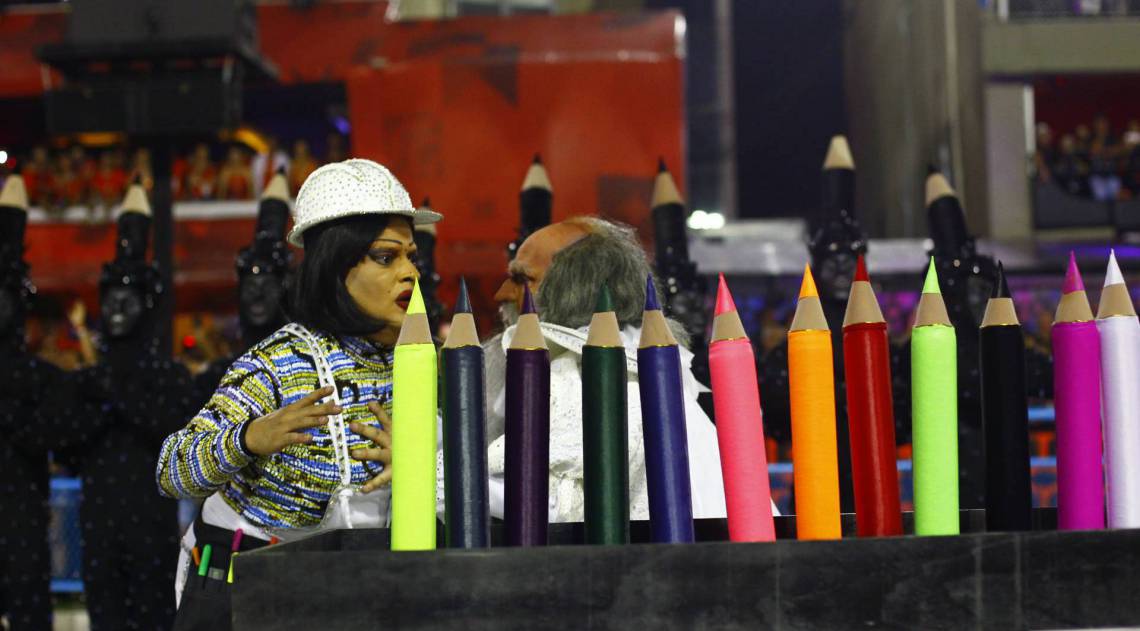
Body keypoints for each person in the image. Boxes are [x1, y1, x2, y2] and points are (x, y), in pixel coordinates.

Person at [156, 159, 441, 625]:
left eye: (412, 256)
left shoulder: (428, 360)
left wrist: (421, 469)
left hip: (356, 594)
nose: (409, 272)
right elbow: (171, 471)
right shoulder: (277, 364)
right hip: (241, 596)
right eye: (388, 257)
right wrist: (248, 439)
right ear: (335, 265)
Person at [485, 216, 733, 523]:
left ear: (574, 286)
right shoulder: (652, 367)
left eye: (524, 279)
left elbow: (547, 502)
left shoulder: (584, 375)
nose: (502, 293)